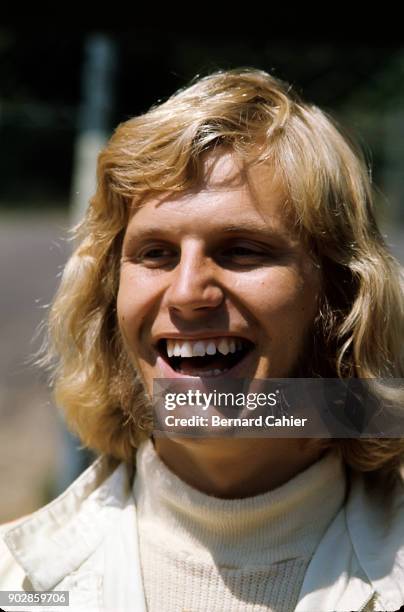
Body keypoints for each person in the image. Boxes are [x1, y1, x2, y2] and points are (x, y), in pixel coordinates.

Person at [1, 67, 403, 612]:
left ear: (339, 297)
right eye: (156, 253)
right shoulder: (15, 582)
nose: (188, 293)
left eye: (242, 250)